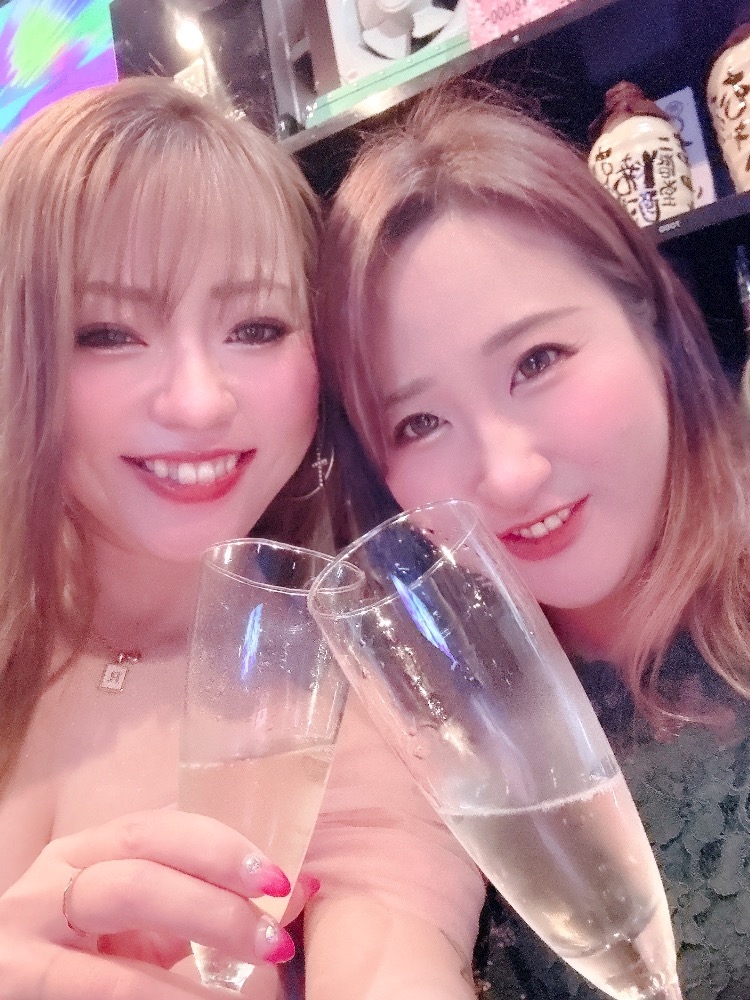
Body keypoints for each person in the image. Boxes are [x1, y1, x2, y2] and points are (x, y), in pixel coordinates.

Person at [0, 76, 485, 1000]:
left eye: (256, 327)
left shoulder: (350, 691)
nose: (198, 401)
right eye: (107, 332)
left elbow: (393, 956)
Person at [315, 82, 750, 1000]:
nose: (507, 475)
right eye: (420, 423)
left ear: (649, 318)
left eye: (537, 361)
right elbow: (383, 921)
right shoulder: (427, 713)